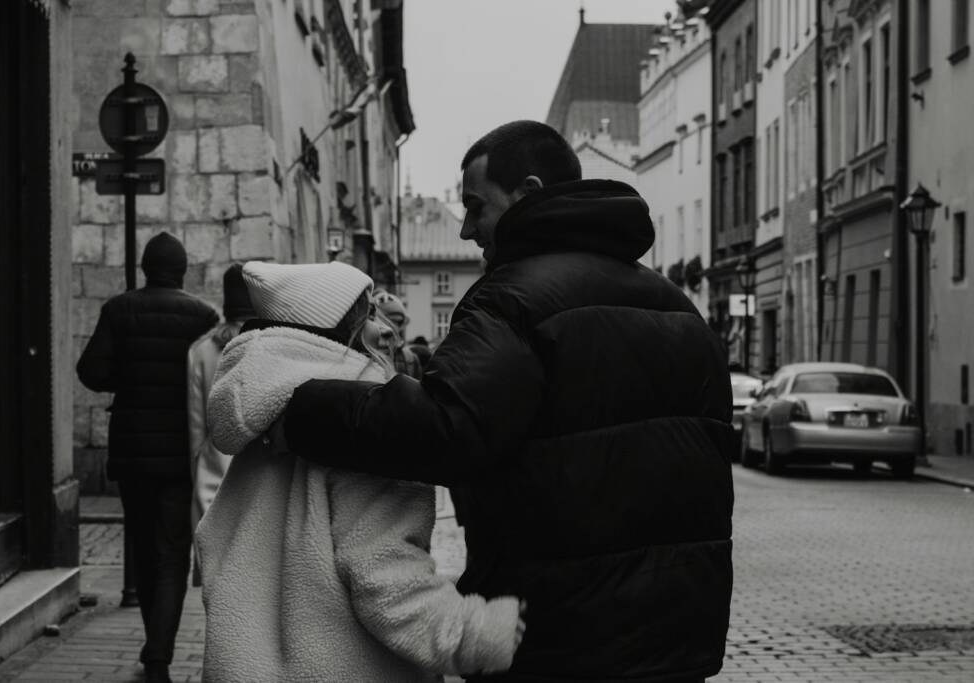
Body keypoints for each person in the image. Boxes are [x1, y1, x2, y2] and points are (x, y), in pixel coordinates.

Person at [276, 121, 735, 682]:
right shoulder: (679, 308)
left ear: (530, 192)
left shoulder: (513, 298)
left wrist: (298, 405)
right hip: (678, 635)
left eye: (476, 206)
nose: (468, 229)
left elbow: (445, 427)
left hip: (561, 636)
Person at [196, 261, 524, 682]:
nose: (386, 328)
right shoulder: (360, 430)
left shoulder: (270, 419)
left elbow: (215, 541)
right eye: (369, 314)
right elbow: (387, 580)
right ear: (337, 332)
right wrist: (479, 631)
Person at [76, 232, 219, 683]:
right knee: (172, 553)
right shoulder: (203, 316)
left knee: (141, 547)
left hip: (134, 451)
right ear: (181, 271)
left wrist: (128, 377)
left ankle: (153, 646)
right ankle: (159, 654)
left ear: (144, 268)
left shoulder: (119, 310)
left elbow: (90, 371)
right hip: (179, 454)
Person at [186, 263, 254, 584]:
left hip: (212, 479)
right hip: (258, 483)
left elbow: (195, 428)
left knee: (217, 586)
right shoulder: (266, 346)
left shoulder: (201, 351)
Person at [372, 289, 423, 378]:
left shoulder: (410, 358)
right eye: (389, 321)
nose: (394, 327)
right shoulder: (365, 352)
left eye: (398, 322)